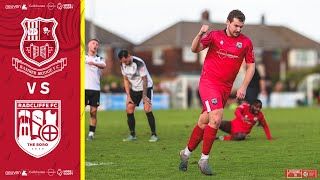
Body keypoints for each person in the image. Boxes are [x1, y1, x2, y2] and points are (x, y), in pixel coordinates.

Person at [179, 9, 256, 175]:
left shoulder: (246, 42)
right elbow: (195, 49)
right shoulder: (214, 36)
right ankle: (204, 160)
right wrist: (199, 34)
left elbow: (251, 65)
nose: (238, 29)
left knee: (204, 121)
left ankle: (186, 153)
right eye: (236, 25)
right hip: (209, 83)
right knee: (217, 117)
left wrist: (243, 86)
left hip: (225, 88)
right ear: (227, 22)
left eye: (241, 26)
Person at [118, 49, 158, 142]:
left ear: (129, 56)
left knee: (147, 109)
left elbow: (145, 79)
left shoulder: (139, 63)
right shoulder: (122, 65)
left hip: (146, 87)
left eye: (126, 60)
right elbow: (126, 80)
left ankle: (154, 135)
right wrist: (128, 95)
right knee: (129, 109)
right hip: (135, 89)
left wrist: (144, 96)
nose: (125, 63)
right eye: (123, 62)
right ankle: (132, 135)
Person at [85, 39, 107, 141]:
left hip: (95, 89)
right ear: (88, 45)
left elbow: (103, 66)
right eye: (93, 43)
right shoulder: (82, 57)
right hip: (84, 89)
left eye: (97, 44)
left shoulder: (100, 59)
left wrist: (94, 64)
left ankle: (91, 134)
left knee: (93, 112)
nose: (95, 45)